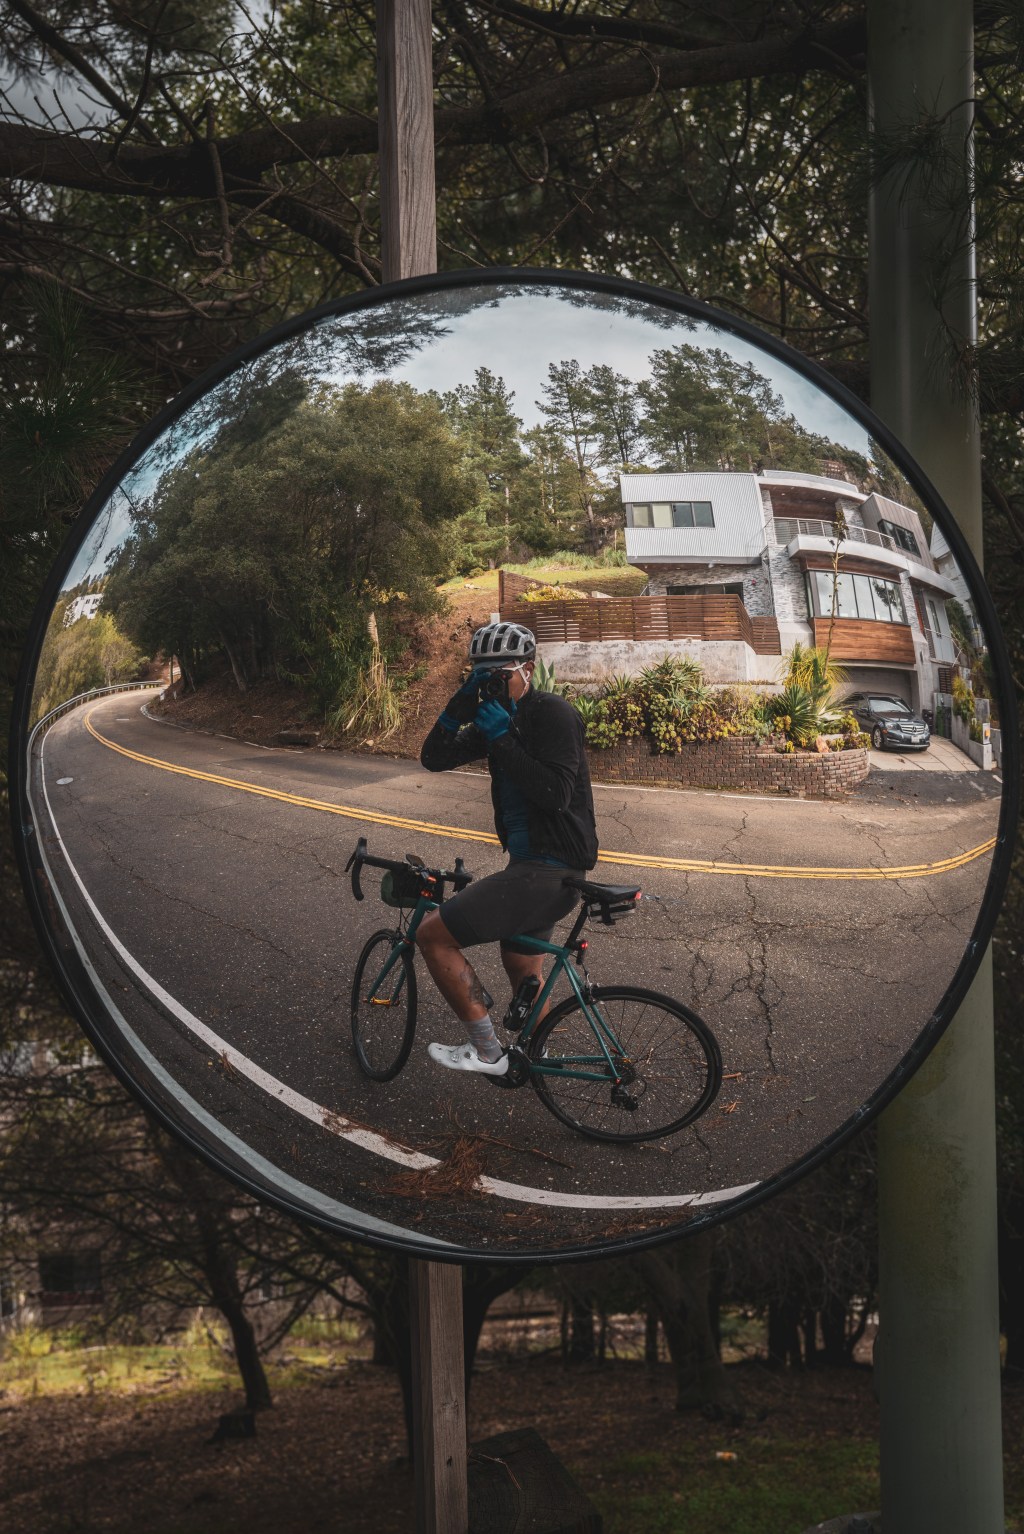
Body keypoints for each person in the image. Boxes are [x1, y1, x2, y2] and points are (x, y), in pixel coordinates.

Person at [417, 620, 599, 1076]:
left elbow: (556, 793)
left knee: (432, 935)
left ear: (529, 670)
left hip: (548, 869)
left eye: (501, 674)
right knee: (521, 967)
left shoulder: (551, 713)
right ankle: (538, 1069)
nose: (493, 683)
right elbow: (433, 758)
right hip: (532, 866)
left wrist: (502, 738)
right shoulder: (493, 718)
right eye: (482, 675)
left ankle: (486, 1051)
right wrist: (457, 706)